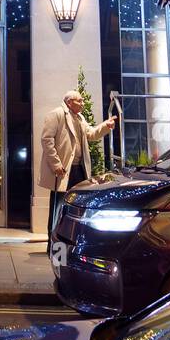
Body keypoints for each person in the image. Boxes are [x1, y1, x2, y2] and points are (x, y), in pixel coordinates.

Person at [41, 89, 117, 249]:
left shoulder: (79, 118)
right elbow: (47, 140)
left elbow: (91, 134)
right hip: (63, 170)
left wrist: (106, 126)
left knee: (77, 207)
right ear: (69, 102)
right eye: (79, 101)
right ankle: (53, 247)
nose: (83, 103)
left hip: (79, 169)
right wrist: (56, 164)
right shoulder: (57, 114)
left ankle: (72, 245)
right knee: (58, 208)